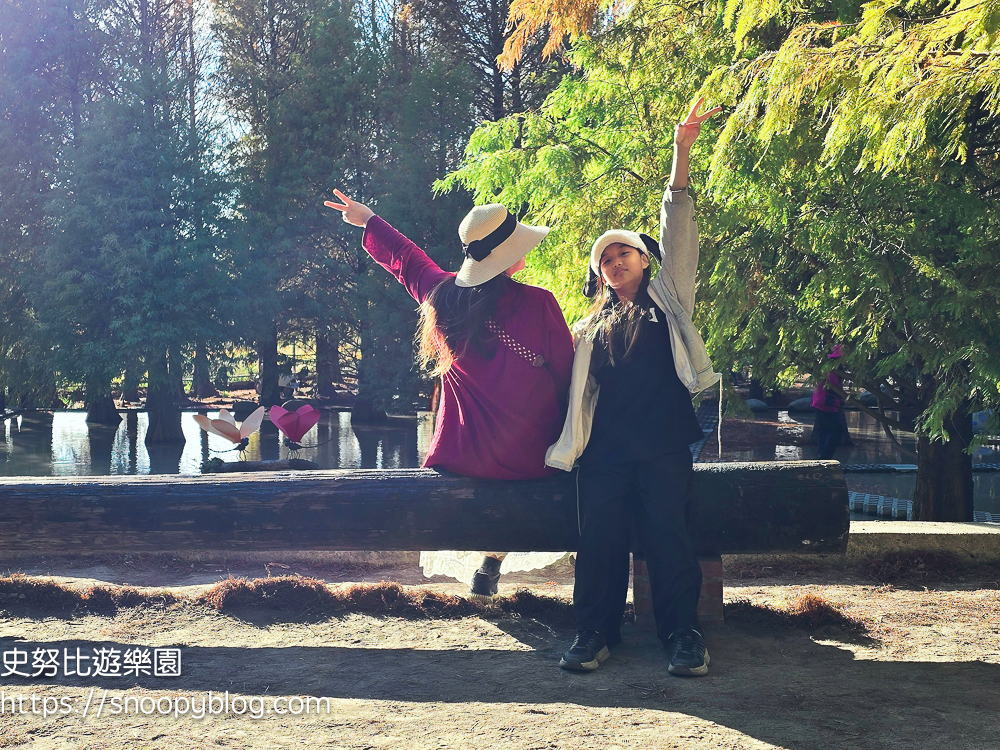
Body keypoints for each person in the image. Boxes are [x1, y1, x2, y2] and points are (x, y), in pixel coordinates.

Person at [323, 190, 574, 601]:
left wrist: (369, 220)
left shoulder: (443, 296)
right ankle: (493, 560)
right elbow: (566, 375)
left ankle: (489, 563)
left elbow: (408, 262)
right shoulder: (540, 303)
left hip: (462, 455)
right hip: (529, 457)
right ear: (510, 255)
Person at [546, 98, 722, 676]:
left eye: (624, 252)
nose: (614, 261)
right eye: (605, 258)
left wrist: (681, 152)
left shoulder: (669, 300)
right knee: (598, 543)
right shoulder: (588, 328)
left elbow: (679, 232)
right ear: (597, 274)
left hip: (664, 445)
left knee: (669, 539)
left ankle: (683, 635)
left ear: (645, 261)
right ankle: (595, 633)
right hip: (603, 454)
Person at [812, 345, 846, 460]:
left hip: (819, 400)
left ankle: (822, 456)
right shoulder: (833, 368)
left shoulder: (827, 365)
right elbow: (831, 386)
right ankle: (825, 456)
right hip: (826, 401)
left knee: (824, 429)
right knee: (837, 428)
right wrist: (842, 395)